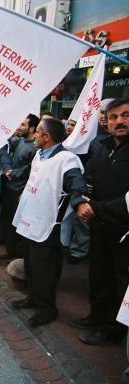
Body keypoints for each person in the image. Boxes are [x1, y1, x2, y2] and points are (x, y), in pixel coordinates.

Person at [12, 119, 88, 327]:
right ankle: (33, 298)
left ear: (47, 137)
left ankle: (47, 309)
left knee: (44, 269)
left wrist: (80, 201)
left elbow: (76, 182)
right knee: (30, 264)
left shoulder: (67, 159)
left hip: (47, 225)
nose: (35, 135)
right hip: (30, 219)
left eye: (38, 132)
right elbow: (32, 177)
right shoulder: (39, 155)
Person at [70, 98, 129, 344]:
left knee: (119, 281)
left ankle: (113, 330)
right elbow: (87, 178)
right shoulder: (102, 146)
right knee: (99, 275)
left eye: (125, 115)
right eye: (113, 117)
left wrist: (94, 207)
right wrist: (80, 202)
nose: (119, 121)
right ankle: (97, 317)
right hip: (99, 226)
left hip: (123, 231)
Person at [0, 114, 39, 259]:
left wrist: (14, 173)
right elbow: (2, 148)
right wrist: (7, 168)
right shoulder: (18, 140)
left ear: (32, 128)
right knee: (8, 222)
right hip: (9, 189)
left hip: (21, 192)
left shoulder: (35, 148)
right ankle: (10, 252)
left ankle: (19, 257)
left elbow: (32, 169)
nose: (19, 127)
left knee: (19, 225)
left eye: (23, 125)